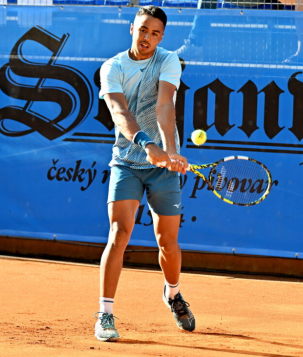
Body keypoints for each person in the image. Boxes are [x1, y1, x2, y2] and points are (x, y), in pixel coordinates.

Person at [95, 5, 195, 342]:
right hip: (126, 162)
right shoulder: (113, 67)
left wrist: (169, 151)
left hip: (162, 169)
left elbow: (164, 104)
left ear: (162, 37)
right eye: (142, 30)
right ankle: (105, 314)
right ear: (132, 28)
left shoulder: (167, 60)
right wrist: (147, 145)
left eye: (154, 33)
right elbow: (119, 112)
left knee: (167, 241)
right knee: (118, 233)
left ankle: (173, 295)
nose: (147, 38)